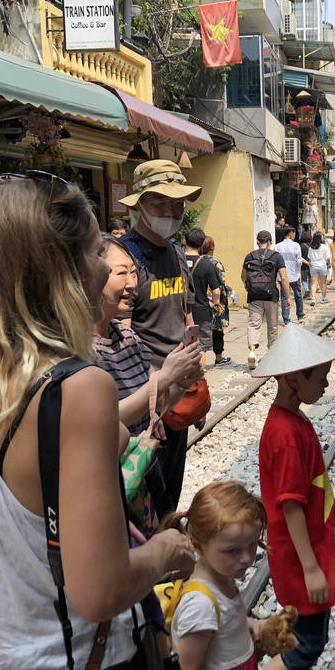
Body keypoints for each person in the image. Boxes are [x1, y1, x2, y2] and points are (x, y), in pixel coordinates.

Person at [0, 174, 197, 670]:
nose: (107, 267)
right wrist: (167, 552)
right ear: (57, 270)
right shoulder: (78, 388)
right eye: (93, 253)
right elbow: (101, 587)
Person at [252, 325, 335, 670]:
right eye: (321, 377)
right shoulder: (287, 435)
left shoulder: (288, 421)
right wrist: (311, 567)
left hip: (300, 551)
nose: (326, 383)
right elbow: (291, 505)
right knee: (307, 639)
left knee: (302, 620)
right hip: (300, 556)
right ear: (294, 380)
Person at [118, 159, 201, 518]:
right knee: (143, 503)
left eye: (177, 204)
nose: (171, 211)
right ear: (138, 205)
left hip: (176, 398)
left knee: (170, 496)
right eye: (160, 203)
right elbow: (114, 334)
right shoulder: (124, 258)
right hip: (142, 404)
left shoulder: (177, 254)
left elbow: (186, 314)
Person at [166, 481, 275, 670]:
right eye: (232, 550)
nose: (247, 558)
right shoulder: (200, 605)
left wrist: (246, 624)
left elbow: (222, 617)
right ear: (198, 546)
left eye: (252, 544)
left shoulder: (219, 575)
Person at [93, 235, 203, 434]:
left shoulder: (127, 335)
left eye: (134, 272)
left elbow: (159, 401)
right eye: (121, 273)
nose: (133, 283)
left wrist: (180, 381)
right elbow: (100, 422)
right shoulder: (77, 348)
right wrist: (165, 377)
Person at [242, 230, 291, 369]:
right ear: (271, 242)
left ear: (258, 241)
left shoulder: (249, 256)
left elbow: (243, 276)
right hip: (271, 296)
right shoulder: (276, 257)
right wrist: (288, 297)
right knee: (272, 325)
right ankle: (272, 354)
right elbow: (284, 278)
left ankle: (252, 351)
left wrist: (247, 286)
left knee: (253, 324)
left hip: (254, 296)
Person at [182, 228, 222, 365]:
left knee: (181, 346)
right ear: (201, 244)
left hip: (179, 310)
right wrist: (215, 303)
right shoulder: (207, 264)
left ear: (185, 241)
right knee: (201, 348)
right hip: (201, 310)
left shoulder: (176, 261)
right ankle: (200, 378)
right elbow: (216, 291)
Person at [200, 236, 232, 366]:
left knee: (200, 331)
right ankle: (218, 358)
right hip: (215, 301)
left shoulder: (195, 261)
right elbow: (220, 285)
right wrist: (229, 292)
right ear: (212, 247)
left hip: (200, 301)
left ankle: (201, 359)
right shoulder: (216, 264)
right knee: (217, 330)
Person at [276, 227, 306, 325]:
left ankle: (286, 318)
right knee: (298, 295)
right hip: (294, 274)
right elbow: (299, 261)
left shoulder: (277, 246)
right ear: (291, 233)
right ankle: (300, 314)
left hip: (283, 275)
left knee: (284, 297)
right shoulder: (296, 245)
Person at [307, 232, 332, 306]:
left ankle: (313, 298)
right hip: (322, 265)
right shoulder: (324, 247)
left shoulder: (311, 247)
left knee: (314, 283)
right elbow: (327, 258)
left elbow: (310, 259)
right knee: (323, 283)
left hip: (313, 266)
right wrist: (329, 264)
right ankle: (323, 298)